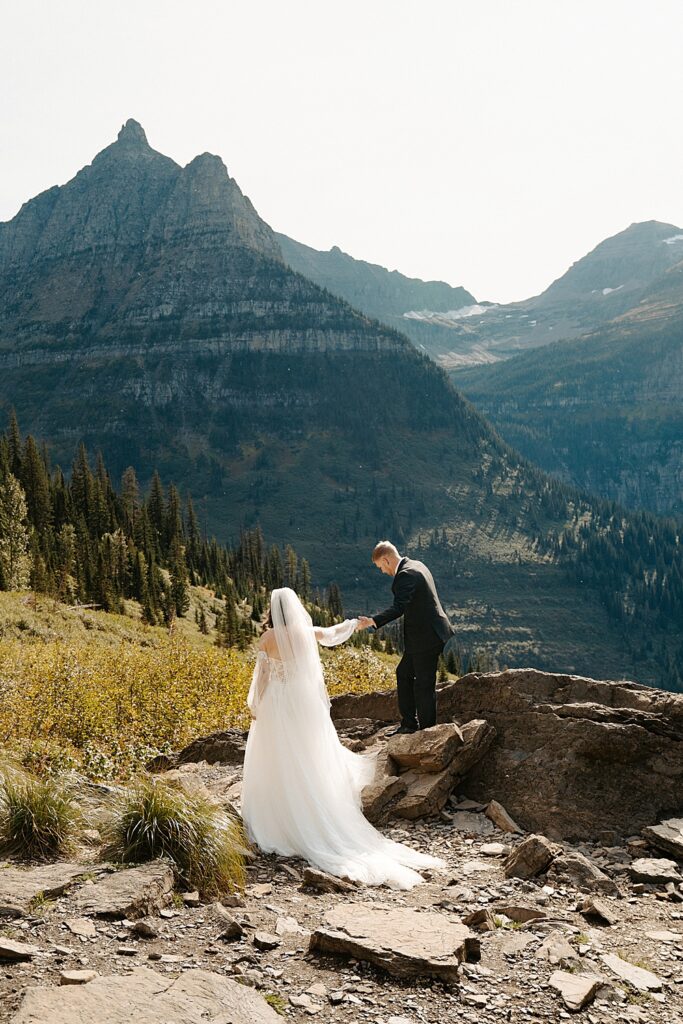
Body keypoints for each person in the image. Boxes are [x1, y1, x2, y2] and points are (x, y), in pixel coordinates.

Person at [241, 587, 445, 889]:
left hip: (279, 701)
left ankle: (279, 817)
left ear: (273, 610)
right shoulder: (306, 632)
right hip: (305, 701)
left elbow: (263, 677)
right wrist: (354, 624)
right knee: (308, 753)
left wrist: (255, 706)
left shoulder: (268, 639)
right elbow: (332, 633)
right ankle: (314, 805)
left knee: (276, 755)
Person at [358, 541, 454, 734]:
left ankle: (428, 732)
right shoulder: (416, 564)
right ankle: (409, 724)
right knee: (404, 673)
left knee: (424, 686)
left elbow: (399, 608)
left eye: (381, 567)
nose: (383, 572)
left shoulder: (405, 574)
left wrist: (372, 621)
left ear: (386, 559)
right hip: (423, 636)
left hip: (427, 638)